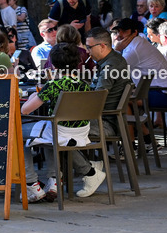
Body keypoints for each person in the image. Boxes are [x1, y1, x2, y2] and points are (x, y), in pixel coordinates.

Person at [20, 43, 105, 200]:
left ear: (52, 64)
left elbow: (25, 110)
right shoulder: (84, 85)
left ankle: (31, 183)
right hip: (81, 132)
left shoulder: (52, 85)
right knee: (46, 132)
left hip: (59, 133)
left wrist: (36, 94)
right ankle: (53, 180)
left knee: (17, 132)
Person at [111, 17, 167, 109]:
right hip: (163, 92)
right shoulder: (138, 43)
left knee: (119, 100)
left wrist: (116, 49)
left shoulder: (134, 49)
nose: (119, 35)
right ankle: (141, 124)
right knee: (123, 95)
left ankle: (137, 124)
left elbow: (113, 70)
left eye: (124, 31)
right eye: (118, 31)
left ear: (134, 33)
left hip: (166, 96)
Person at [85, 27, 131, 139]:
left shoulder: (110, 66)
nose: (87, 51)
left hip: (104, 122)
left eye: (89, 47)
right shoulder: (114, 59)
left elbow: (97, 98)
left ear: (102, 46)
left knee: (58, 128)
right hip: (106, 119)